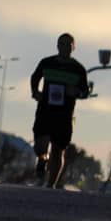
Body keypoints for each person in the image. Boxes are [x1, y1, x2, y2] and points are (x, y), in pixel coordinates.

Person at [30, 33, 89, 188]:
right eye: (62, 44)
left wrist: (75, 92)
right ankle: (42, 159)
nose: (64, 47)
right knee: (40, 145)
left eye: (68, 44)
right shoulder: (47, 63)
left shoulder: (78, 69)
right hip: (45, 110)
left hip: (64, 115)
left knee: (58, 150)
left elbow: (85, 92)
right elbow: (35, 77)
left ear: (73, 47)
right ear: (57, 46)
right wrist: (35, 92)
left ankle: (51, 185)